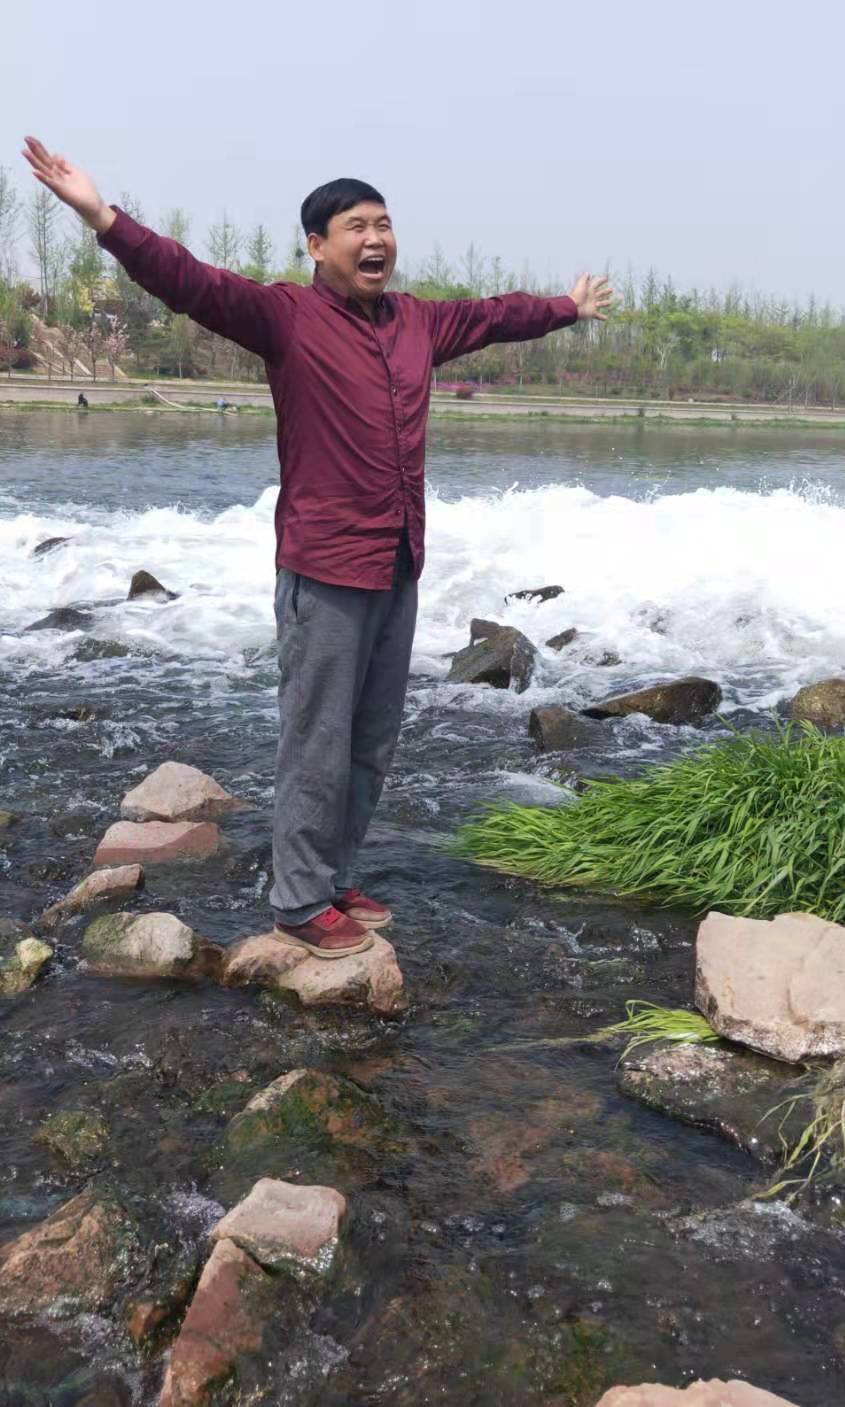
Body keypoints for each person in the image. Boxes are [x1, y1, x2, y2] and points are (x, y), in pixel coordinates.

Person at [22, 134, 612, 959]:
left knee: (373, 738)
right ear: (316, 245)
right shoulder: (285, 317)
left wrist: (565, 308)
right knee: (317, 740)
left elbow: (491, 317)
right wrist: (102, 216)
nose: (376, 240)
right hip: (325, 568)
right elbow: (188, 281)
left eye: (385, 223)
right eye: (356, 227)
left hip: (398, 561)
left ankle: (334, 878)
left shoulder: (415, 324)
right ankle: (296, 901)